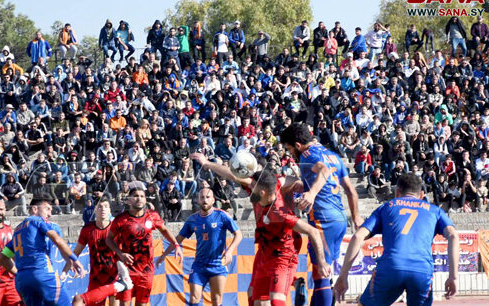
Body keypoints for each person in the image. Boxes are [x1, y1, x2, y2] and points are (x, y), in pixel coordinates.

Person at [189, 153, 330, 306]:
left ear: (261, 192)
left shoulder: (279, 213)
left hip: (283, 253)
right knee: (253, 297)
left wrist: (322, 262)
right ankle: (295, 282)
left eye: (252, 185)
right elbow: (234, 176)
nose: (249, 186)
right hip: (264, 251)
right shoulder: (270, 185)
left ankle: (292, 281)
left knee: (276, 300)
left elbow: (313, 232)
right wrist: (207, 163)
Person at [335, 174, 459, 305]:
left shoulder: (387, 207)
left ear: (397, 192)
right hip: (421, 270)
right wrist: (453, 276)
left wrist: (343, 275)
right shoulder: (435, 211)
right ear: (422, 194)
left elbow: (358, 236)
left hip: (391, 267)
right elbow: (453, 236)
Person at [280, 122, 363, 306]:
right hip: (340, 218)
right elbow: (350, 191)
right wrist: (356, 216)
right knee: (323, 274)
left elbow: (323, 171)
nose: (290, 153)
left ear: (298, 145)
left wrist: (311, 193)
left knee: (321, 276)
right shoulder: (333, 155)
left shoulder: (307, 155)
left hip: (323, 219)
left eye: (289, 148)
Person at [157, 187, 243, 306]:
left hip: (218, 263)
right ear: (198, 200)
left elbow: (238, 234)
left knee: (216, 300)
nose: (205, 200)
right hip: (199, 264)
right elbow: (178, 239)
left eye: (208, 197)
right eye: (202, 197)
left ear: (213, 200)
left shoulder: (221, 215)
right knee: (194, 298)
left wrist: (229, 251)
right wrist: (164, 254)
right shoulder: (192, 219)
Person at [0, 199, 85, 305]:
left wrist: (17, 273)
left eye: (51, 210)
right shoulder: (38, 221)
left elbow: (3, 257)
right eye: (47, 209)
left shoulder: (17, 230)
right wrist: (74, 259)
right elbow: (57, 240)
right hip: (43, 274)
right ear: (35, 209)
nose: (50, 214)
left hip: (23, 281)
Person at [106, 187, 183, 306]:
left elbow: (165, 230)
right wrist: (120, 253)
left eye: (142, 196)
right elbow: (109, 239)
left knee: (142, 304)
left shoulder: (152, 216)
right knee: (125, 303)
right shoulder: (121, 219)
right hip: (127, 270)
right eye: (136, 196)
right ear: (129, 200)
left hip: (146, 270)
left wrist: (176, 245)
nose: (139, 199)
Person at [67, 197, 133, 306]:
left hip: (115, 275)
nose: (103, 209)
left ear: (110, 211)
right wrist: (71, 263)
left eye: (106, 207)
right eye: (100, 207)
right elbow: (76, 252)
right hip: (96, 277)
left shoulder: (117, 228)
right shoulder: (87, 230)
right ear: (95, 210)